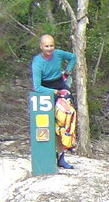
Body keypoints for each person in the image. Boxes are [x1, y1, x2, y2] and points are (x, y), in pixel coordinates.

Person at [31, 34, 76, 169]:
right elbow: (37, 87)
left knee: (66, 118)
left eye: (51, 45)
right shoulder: (37, 62)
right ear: (41, 46)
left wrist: (67, 72)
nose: (49, 48)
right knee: (48, 124)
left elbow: (73, 57)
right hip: (46, 90)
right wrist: (54, 92)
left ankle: (62, 155)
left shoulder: (57, 54)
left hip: (60, 85)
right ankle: (49, 157)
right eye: (46, 46)